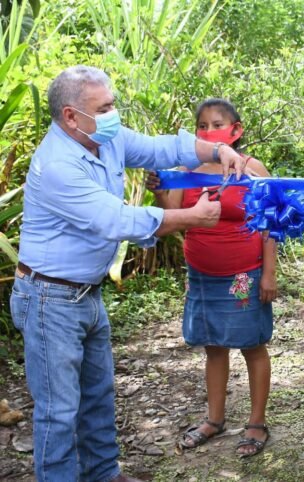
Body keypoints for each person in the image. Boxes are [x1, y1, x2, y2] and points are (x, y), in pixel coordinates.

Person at [9, 66, 247, 482]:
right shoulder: (59, 165)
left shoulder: (106, 137)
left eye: (112, 104)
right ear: (70, 116)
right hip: (49, 299)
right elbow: (116, 219)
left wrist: (215, 151)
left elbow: (161, 148)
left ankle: (104, 474)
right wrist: (190, 216)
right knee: (59, 412)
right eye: (104, 108)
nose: (113, 114)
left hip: (85, 294)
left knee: (99, 397)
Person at [146, 98, 278, 458]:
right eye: (201, 126)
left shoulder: (253, 170)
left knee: (251, 345)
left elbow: (269, 226)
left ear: (236, 131)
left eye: (216, 124)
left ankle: (256, 423)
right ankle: (214, 419)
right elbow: (172, 218)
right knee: (213, 346)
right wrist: (159, 189)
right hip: (201, 277)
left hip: (243, 276)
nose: (208, 132)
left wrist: (268, 274)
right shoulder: (187, 171)